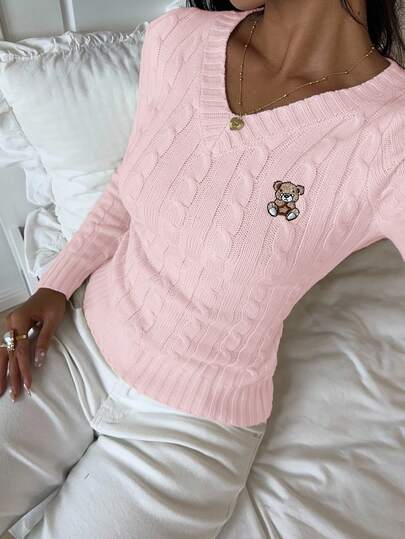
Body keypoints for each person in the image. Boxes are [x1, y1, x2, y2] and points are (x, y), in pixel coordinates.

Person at [1, 1, 404, 537]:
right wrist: (53, 286)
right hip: (69, 345)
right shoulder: (179, 39)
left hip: (189, 433)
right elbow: (128, 190)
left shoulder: (391, 135)